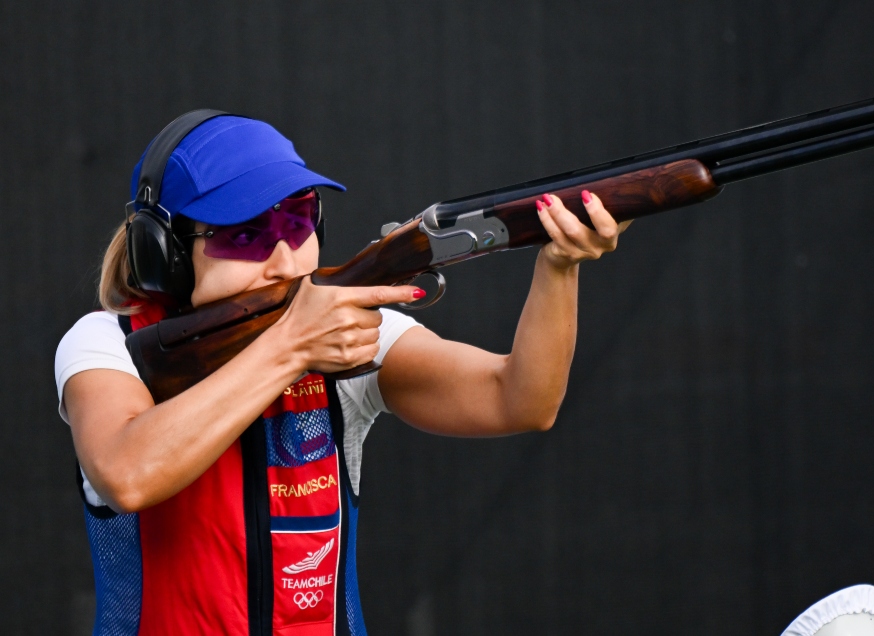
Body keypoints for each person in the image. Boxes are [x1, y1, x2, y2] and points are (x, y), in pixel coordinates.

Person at [55, 114, 629, 634]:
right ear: (167, 254)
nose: (285, 261)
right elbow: (128, 475)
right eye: (244, 236)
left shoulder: (346, 336)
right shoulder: (108, 344)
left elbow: (520, 401)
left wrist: (559, 268)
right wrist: (293, 346)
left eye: (297, 221)